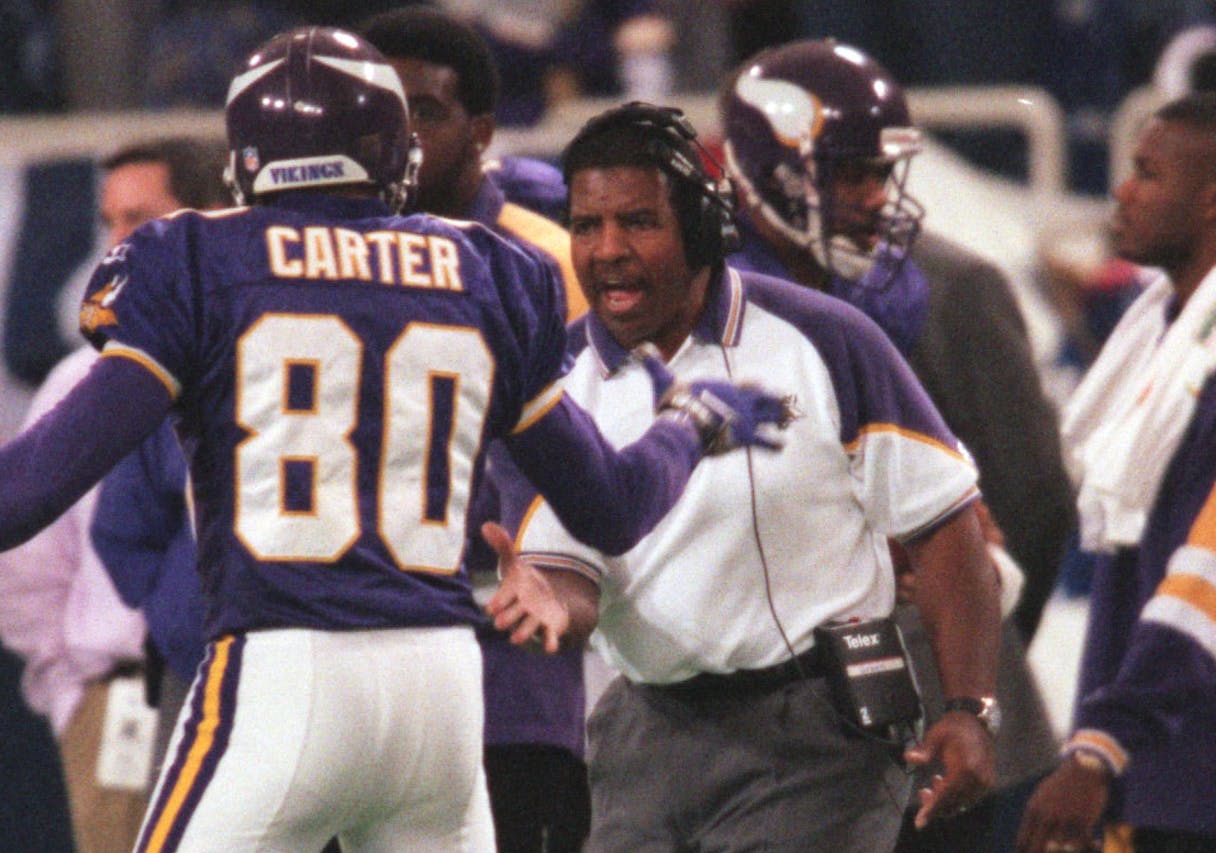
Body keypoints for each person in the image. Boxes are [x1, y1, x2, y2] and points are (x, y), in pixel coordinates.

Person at [0, 28, 788, 853]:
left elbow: (56, 465)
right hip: (443, 694)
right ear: (394, 152)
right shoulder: (491, 270)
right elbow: (612, 506)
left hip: (281, 674)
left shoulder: (196, 257)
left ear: (246, 159)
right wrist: (688, 424)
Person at [497, 100, 1001, 853]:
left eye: (637, 222)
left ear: (703, 227)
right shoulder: (553, 383)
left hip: (818, 731)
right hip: (646, 731)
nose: (605, 250)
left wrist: (967, 705)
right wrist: (552, 603)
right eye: (585, 225)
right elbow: (569, 568)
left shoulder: (825, 337)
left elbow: (943, 523)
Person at [719, 39, 1074, 850]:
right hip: (754, 742)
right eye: (852, 173)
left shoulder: (950, 289)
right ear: (767, 169)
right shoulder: (693, 301)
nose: (877, 197)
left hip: (937, 722)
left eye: (883, 173)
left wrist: (971, 642)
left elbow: (1036, 505)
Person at [361, 8, 592, 850]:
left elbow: (593, 484)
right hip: (354, 690)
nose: (397, 134)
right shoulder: (317, 252)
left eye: (422, 110)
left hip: (515, 686)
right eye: (378, 106)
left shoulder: (554, 265)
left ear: (482, 131)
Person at [0, 136, 227, 853]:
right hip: (128, 694)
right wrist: (75, 693)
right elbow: (26, 565)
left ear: (211, 219)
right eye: (110, 222)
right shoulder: (76, 382)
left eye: (140, 220)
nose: (117, 244)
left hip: (254, 687)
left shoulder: (262, 355)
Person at [1017, 92, 1216, 853]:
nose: (1121, 190)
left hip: (1183, 772)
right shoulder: (1157, 332)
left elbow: (1204, 581)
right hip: (1154, 765)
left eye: (1147, 173)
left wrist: (1101, 743)